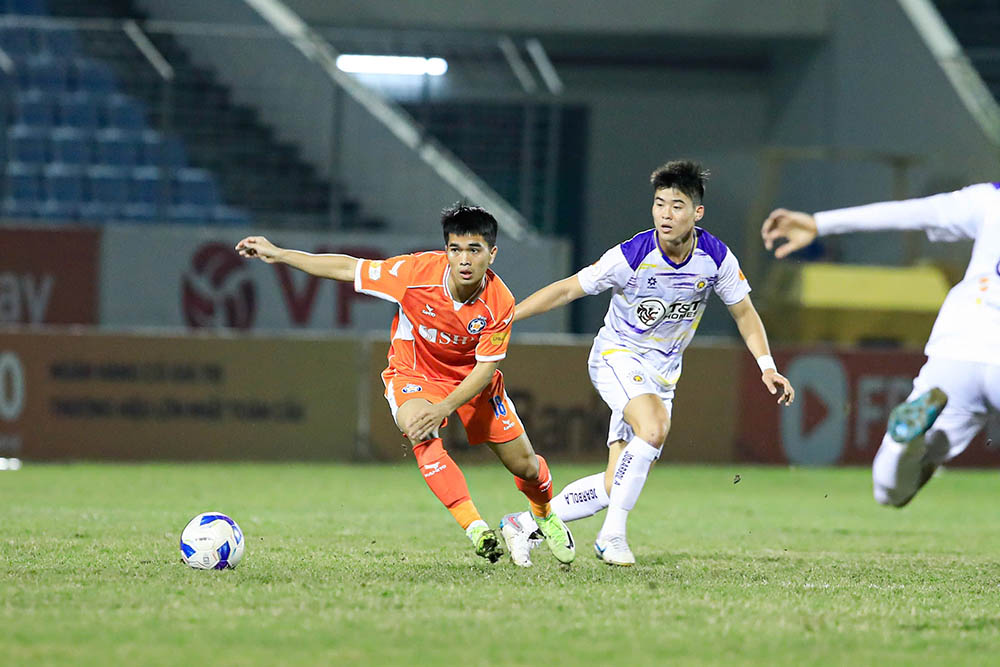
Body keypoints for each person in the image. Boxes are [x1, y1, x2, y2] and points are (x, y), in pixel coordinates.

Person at [235, 204, 575, 564]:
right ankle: (476, 528)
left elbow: (485, 372)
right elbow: (348, 267)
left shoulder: (500, 303)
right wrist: (281, 254)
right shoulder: (414, 273)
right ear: (445, 251)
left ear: (491, 255)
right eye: (455, 249)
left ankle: (544, 514)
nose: (463, 260)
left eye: (473, 250)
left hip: (472, 380)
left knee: (526, 467)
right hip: (416, 373)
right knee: (419, 429)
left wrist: (445, 407)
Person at [499, 161, 796, 567]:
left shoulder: (715, 258)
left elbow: (744, 312)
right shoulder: (632, 255)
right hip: (616, 358)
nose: (665, 214)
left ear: (697, 213)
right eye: (659, 204)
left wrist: (766, 365)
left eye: (677, 206)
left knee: (613, 483)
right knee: (653, 427)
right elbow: (570, 288)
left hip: (662, 377)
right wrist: (510, 316)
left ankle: (523, 525)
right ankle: (612, 537)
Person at [761, 182, 1000, 508]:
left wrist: (820, 223)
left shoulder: (991, 197)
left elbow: (912, 212)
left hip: (959, 343)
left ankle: (908, 443)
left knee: (889, 493)